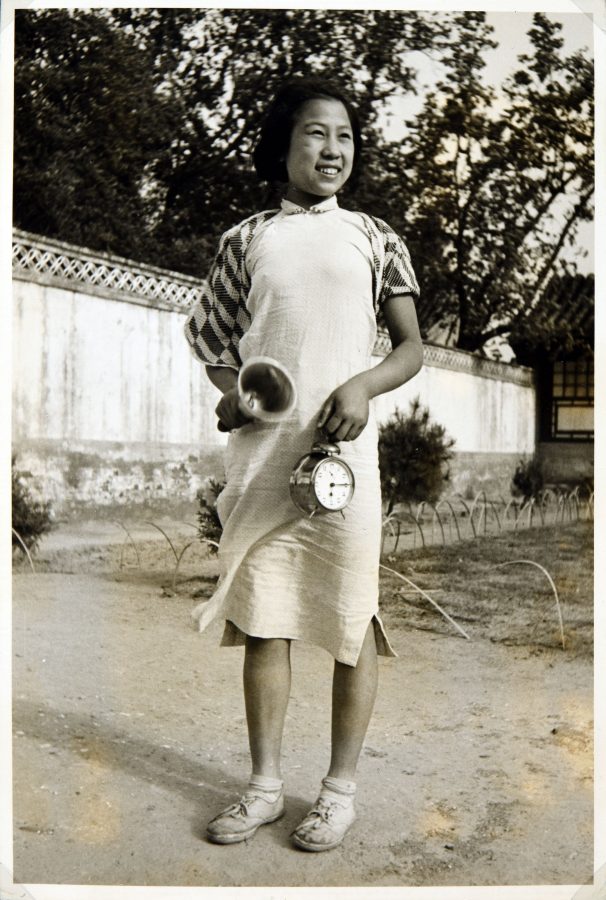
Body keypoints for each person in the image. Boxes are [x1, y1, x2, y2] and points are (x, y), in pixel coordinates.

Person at [184, 76, 423, 852]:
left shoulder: (377, 237)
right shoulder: (246, 238)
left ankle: (338, 794)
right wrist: (235, 398)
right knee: (266, 620)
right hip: (264, 460)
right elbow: (215, 347)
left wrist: (362, 384)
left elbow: (412, 348)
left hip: (344, 463)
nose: (333, 148)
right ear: (283, 146)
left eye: (345, 136)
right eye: (316, 134)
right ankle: (262, 788)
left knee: (352, 623)